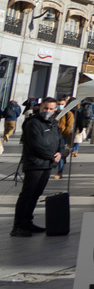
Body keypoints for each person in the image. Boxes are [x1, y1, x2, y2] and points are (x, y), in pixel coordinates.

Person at [11, 97, 64, 237]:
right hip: (35, 163)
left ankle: (27, 221)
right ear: (40, 107)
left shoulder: (53, 123)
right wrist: (51, 156)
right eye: (45, 108)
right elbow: (36, 144)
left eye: (51, 109)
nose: (48, 111)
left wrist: (60, 153)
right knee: (27, 194)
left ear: (55, 109)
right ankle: (18, 225)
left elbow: (60, 140)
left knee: (36, 194)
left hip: (47, 164)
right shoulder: (33, 122)